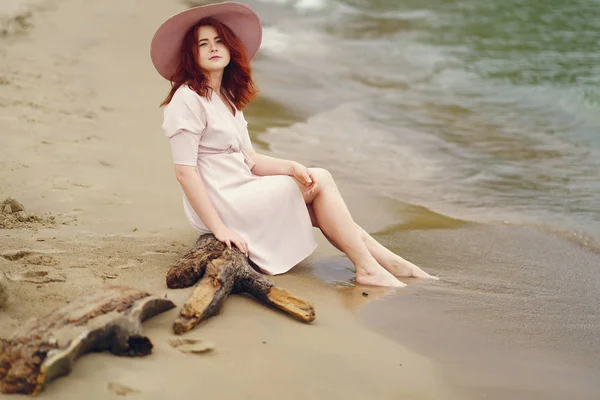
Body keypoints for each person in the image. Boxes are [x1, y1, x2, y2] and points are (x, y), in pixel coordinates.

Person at [150, 2, 436, 287]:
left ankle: (387, 263)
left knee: (318, 201)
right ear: (192, 54)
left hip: (241, 189)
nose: (213, 47)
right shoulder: (187, 99)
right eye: (203, 43)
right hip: (223, 201)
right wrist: (220, 228)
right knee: (321, 179)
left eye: (219, 41)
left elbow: (250, 159)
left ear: (230, 48)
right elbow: (185, 172)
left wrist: (290, 167)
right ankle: (370, 268)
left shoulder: (226, 99)